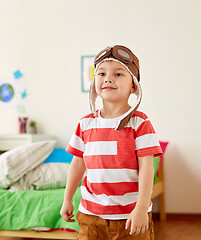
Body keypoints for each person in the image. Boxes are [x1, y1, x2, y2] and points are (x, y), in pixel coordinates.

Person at [60, 45, 163, 240]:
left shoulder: (140, 123)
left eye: (118, 74)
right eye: (101, 74)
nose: (108, 78)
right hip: (90, 216)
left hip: (130, 217)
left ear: (134, 86)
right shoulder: (85, 124)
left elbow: (147, 169)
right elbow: (77, 163)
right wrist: (67, 199)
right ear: (94, 84)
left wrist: (141, 208)